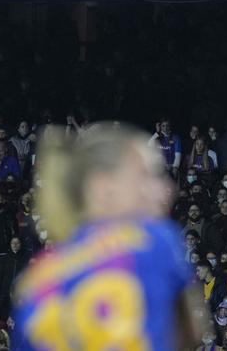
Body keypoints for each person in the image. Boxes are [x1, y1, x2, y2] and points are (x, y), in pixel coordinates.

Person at [11, 125, 210, 350]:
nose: (167, 189)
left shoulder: (34, 282)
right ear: (103, 186)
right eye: (147, 175)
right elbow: (192, 332)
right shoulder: (152, 240)